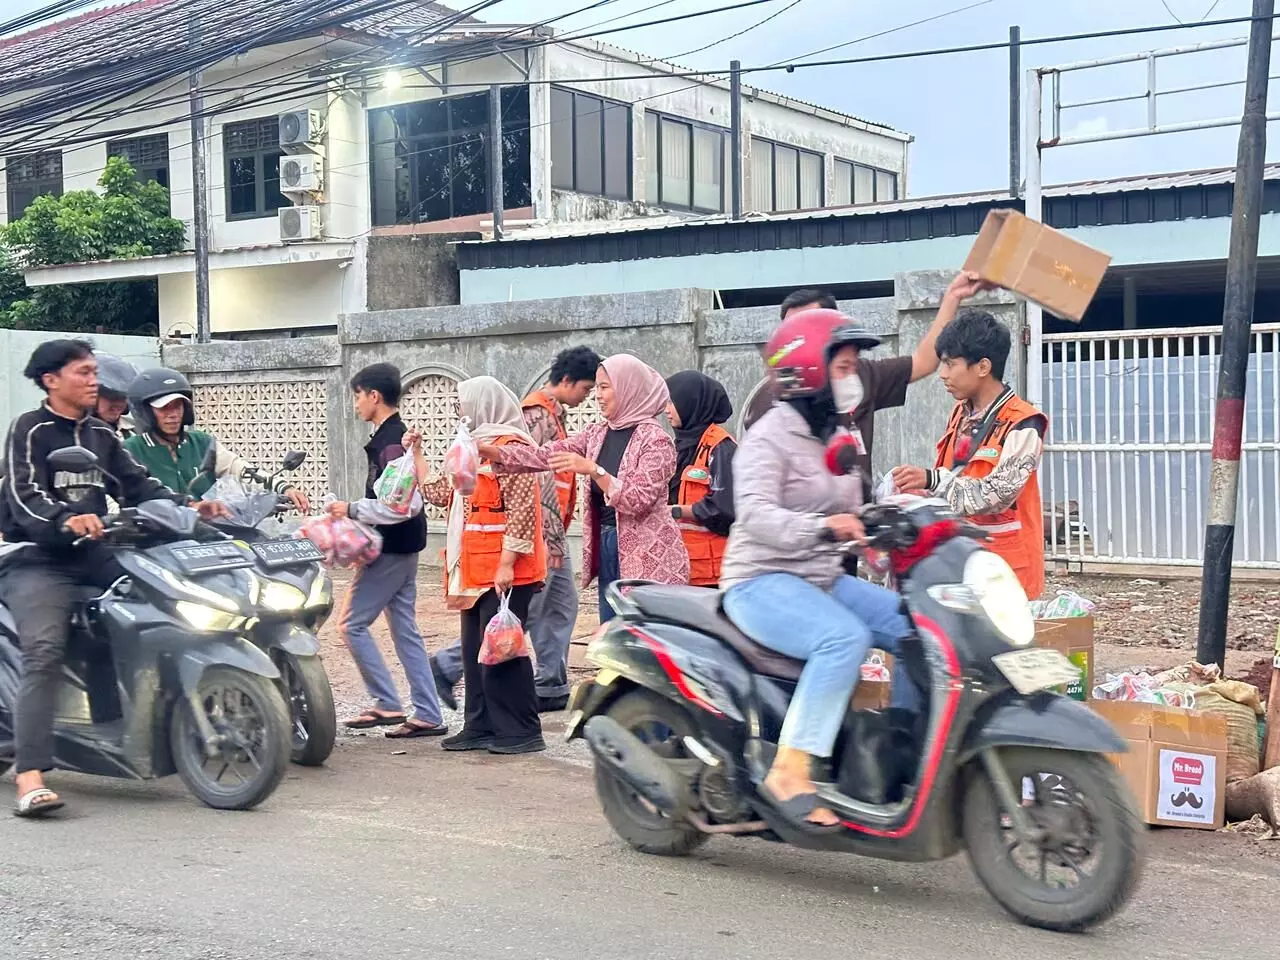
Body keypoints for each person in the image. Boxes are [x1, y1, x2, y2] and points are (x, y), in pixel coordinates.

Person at [0, 340, 227, 818]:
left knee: (165, 594)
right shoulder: (29, 430)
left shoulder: (101, 436)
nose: (93, 381)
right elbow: (24, 498)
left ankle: (146, 715)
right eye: (83, 372)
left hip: (93, 552)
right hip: (38, 558)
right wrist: (66, 519)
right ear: (51, 379)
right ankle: (30, 775)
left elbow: (140, 482)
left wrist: (188, 506)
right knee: (43, 650)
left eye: (93, 373)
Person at [720, 309, 919, 833]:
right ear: (808, 370)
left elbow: (860, 503)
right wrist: (827, 529)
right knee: (842, 639)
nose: (854, 377)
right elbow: (756, 516)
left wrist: (892, 523)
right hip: (760, 581)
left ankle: (899, 754)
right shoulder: (769, 437)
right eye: (844, 366)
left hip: (820, 579)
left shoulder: (840, 432)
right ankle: (791, 769)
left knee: (919, 625)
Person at [429, 346, 602, 713]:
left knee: (545, 609)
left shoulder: (551, 417)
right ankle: (458, 667)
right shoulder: (535, 417)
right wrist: (541, 541)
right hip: (536, 537)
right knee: (527, 612)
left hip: (540, 535)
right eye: (587, 388)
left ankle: (549, 682)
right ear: (567, 381)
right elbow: (528, 487)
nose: (589, 396)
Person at [480, 354, 688, 622]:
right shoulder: (598, 433)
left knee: (644, 631)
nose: (598, 396)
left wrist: (594, 470)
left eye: (604, 387)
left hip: (646, 550)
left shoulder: (656, 440)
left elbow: (639, 499)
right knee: (612, 627)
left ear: (628, 388)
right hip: (607, 542)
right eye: (596, 388)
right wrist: (493, 452)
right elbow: (545, 455)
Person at [740, 275, 991, 495]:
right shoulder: (769, 412)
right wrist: (824, 526)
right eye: (792, 332)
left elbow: (923, 362)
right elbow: (759, 509)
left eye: (849, 364)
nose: (848, 375)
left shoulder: (862, 376)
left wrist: (952, 297)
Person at [408, 377, 547, 754]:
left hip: (505, 568)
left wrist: (506, 564)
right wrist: (418, 454)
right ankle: (479, 725)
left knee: (503, 649)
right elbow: (441, 492)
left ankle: (521, 731)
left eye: (462, 401)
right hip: (473, 566)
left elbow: (521, 511)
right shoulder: (469, 446)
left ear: (483, 403)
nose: (458, 409)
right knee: (474, 652)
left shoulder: (512, 449)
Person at [890, 310, 1047, 600]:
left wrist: (931, 480)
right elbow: (954, 480)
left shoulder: (1024, 422)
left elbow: (997, 494)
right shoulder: (960, 414)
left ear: (983, 367)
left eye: (950, 364)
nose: (942, 374)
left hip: (1006, 572)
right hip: (960, 563)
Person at [328, 363, 447, 739]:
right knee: (404, 630)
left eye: (357, 396)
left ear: (373, 396)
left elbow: (400, 506)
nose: (356, 405)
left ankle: (387, 701)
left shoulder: (392, 443)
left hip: (391, 549)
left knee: (351, 623)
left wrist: (351, 510)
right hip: (405, 547)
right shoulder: (395, 438)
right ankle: (427, 712)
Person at [123, 368, 310, 512]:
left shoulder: (202, 443)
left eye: (178, 406)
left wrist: (284, 488)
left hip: (210, 531)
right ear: (146, 411)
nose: (173, 414)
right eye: (164, 408)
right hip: (155, 541)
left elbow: (239, 469)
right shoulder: (131, 450)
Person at [665, 371, 736, 587]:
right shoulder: (678, 446)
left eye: (671, 402)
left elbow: (726, 507)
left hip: (713, 574)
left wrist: (677, 511)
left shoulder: (720, 447)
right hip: (681, 566)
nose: (666, 410)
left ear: (690, 401)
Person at [93, 353, 138, 438]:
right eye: (112, 397)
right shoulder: (74, 435)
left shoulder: (135, 432)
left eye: (123, 398)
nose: (119, 404)